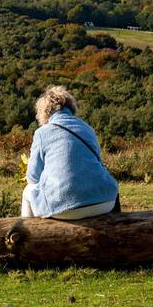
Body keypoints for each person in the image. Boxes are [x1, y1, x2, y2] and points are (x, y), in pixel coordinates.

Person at [21, 85, 120, 219]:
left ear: (43, 112)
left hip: (62, 206)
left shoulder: (42, 133)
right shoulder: (87, 129)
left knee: (28, 191)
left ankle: (28, 237)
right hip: (104, 201)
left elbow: (33, 177)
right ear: (71, 107)